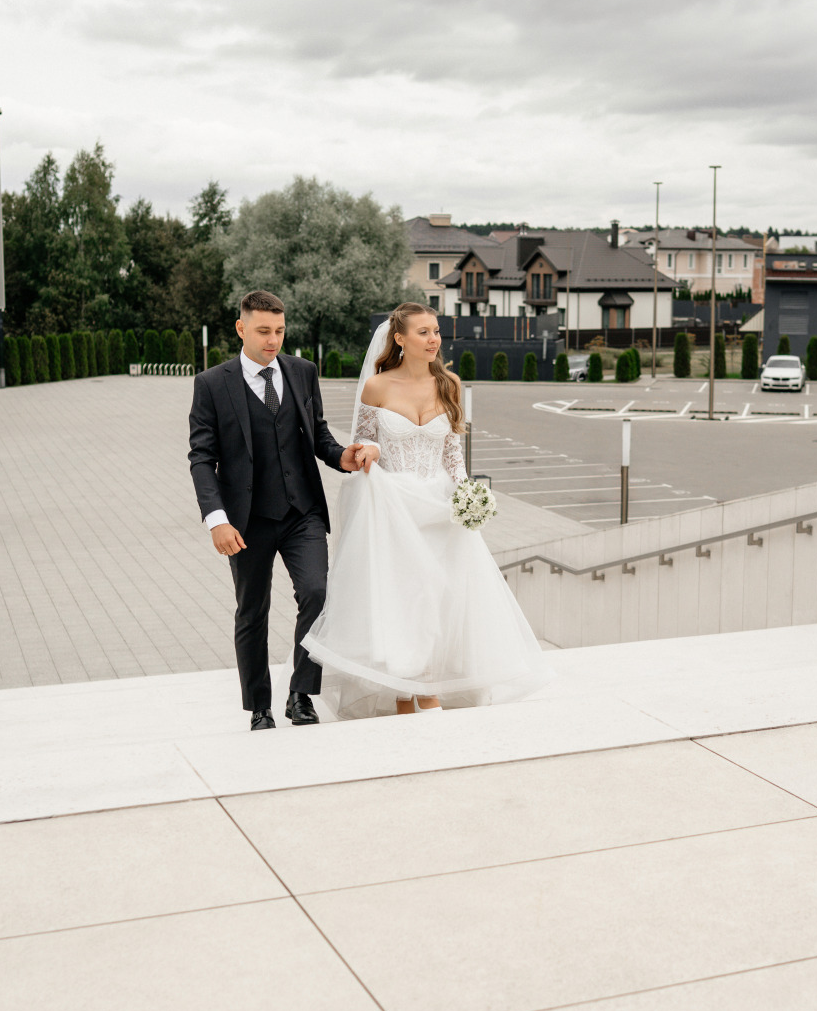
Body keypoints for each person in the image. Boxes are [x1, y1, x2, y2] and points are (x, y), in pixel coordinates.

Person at [301, 302, 553, 718]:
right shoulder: (377, 387)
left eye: (436, 331)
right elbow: (368, 445)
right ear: (399, 339)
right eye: (423, 332)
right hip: (393, 507)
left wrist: (467, 495)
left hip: (440, 509)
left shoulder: (450, 384)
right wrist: (370, 452)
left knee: (441, 598)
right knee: (403, 598)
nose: (434, 339)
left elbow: (453, 454)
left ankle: (431, 686)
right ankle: (403, 690)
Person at [187, 289, 374, 731]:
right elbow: (201, 458)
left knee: (317, 594)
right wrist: (217, 520)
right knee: (252, 610)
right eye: (264, 331)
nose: (273, 340)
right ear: (241, 328)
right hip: (245, 521)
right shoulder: (212, 384)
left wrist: (342, 456)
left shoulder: (303, 372)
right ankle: (259, 706)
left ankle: (300, 694)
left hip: (301, 512)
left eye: (280, 331)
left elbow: (318, 435)